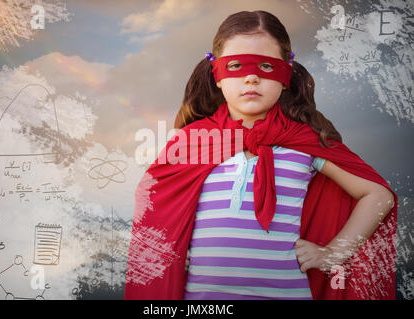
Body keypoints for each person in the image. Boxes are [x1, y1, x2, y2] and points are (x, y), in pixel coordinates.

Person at [124, 10, 397, 300]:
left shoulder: (305, 143)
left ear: (286, 76)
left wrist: (332, 254)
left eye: (267, 66)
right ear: (216, 74)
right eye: (237, 65)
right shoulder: (193, 142)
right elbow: (156, 205)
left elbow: (378, 196)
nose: (252, 77)